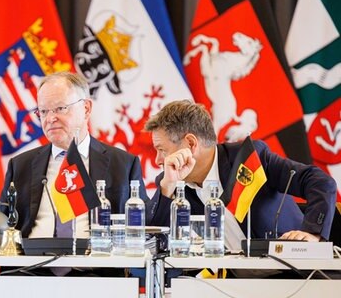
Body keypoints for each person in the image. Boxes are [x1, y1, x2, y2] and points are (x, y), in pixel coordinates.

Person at [144, 100, 337, 246]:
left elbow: (320, 182)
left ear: (191, 143)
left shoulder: (251, 158)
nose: (158, 160)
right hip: (231, 282)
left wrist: (312, 233)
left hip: (291, 273)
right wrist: (166, 189)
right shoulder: (171, 182)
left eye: (162, 149)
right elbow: (155, 243)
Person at [0, 71, 149, 241]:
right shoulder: (20, 166)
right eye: (43, 111)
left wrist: (168, 186)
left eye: (60, 108)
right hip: (32, 264)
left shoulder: (123, 164)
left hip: (97, 264)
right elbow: (2, 224)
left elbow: (147, 225)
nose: (50, 118)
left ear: (86, 109)